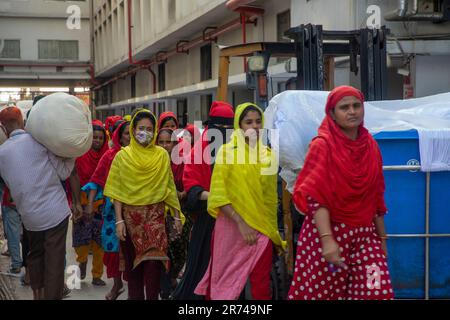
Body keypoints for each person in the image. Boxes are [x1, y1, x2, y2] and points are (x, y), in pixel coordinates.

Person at [288, 86, 394, 300]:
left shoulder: (370, 146)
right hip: (327, 235)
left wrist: (382, 238)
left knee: (376, 292)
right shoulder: (322, 146)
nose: (352, 111)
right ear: (332, 114)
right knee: (324, 295)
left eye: (356, 106)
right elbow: (316, 198)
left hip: (365, 236)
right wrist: (328, 241)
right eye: (344, 107)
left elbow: (376, 196)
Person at [194, 103, 286, 300]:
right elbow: (219, 195)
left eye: (258, 121)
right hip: (230, 228)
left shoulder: (268, 156)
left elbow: (270, 200)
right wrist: (241, 222)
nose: (254, 126)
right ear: (239, 125)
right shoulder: (227, 152)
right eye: (248, 122)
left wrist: (272, 233)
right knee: (222, 285)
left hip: (260, 229)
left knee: (261, 287)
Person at [104, 109, 183, 300]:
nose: (145, 133)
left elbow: (169, 187)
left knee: (153, 272)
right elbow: (117, 192)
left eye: (149, 129)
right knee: (134, 273)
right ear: (133, 130)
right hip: (131, 223)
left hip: (155, 219)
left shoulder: (162, 156)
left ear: (155, 131)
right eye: (141, 128)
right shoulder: (122, 157)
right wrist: (119, 221)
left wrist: (177, 215)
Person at [0, 107, 74, 300]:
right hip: (55, 212)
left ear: (3, 127)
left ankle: (38, 295)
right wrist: (72, 155)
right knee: (55, 261)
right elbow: (63, 173)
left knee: (36, 255)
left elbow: (11, 184)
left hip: (30, 216)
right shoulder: (39, 142)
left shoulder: (1, 153)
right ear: (22, 121)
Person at [172, 101, 234, 300]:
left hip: (238, 220)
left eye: (228, 127)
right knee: (202, 269)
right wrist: (217, 198)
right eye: (219, 127)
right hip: (208, 221)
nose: (224, 132)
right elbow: (192, 187)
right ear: (210, 128)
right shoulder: (199, 151)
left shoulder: (241, 150)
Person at [86, 120, 130, 300]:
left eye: (131, 132)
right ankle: (117, 285)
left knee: (133, 250)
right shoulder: (110, 156)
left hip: (139, 210)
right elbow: (96, 179)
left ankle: (133, 289)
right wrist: (89, 204)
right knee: (112, 249)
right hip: (112, 211)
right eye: (126, 133)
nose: (129, 136)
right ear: (119, 135)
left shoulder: (145, 156)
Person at [72, 120, 109, 286]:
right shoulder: (79, 156)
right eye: (94, 137)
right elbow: (74, 179)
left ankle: (97, 275)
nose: (98, 141)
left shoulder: (108, 156)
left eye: (101, 138)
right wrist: (76, 203)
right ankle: (82, 261)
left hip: (102, 204)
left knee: (99, 242)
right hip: (83, 200)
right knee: (81, 239)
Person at [157, 128, 190, 299]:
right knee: (163, 252)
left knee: (180, 252)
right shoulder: (153, 161)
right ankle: (164, 288)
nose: (164, 146)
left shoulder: (182, 161)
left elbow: (188, 183)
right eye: (160, 142)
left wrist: (180, 193)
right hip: (157, 212)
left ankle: (171, 277)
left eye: (167, 142)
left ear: (175, 144)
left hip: (179, 212)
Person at [1, 186, 22, 275]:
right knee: (28, 234)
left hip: (10, 200)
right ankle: (29, 267)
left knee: (12, 234)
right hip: (28, 199)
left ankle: (16, 264)